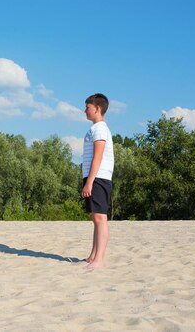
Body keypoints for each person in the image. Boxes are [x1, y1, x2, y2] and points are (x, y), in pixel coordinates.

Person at [81, 93, 114, 269]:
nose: (85, 110)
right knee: (96, 217)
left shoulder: (100, 129)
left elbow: (98, 157)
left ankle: (99, 260)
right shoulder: (95, 129)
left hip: (99, 177)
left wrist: (90, 182)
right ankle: (93, 256)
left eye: (87, 107)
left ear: (97, 108)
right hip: (94, 177)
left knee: (101, 218)